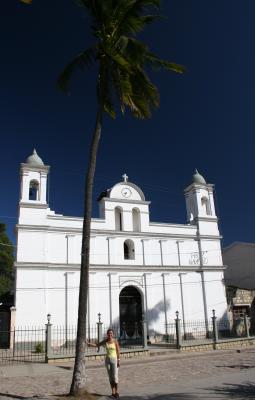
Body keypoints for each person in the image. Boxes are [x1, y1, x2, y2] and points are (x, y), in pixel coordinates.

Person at [87, 328, 120, 398]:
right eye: (109, 333)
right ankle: (113, 392)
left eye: (111, 333)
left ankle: (117, 391)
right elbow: (97, 345)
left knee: (115, 377)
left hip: (114, 360)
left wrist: (118, 360)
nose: (110, 335)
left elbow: (118, 351)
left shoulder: (115, 341)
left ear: (113, 334)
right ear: (107, 334)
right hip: (107, 360)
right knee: (110, 377)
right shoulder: (105, 341)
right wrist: (89, 343)